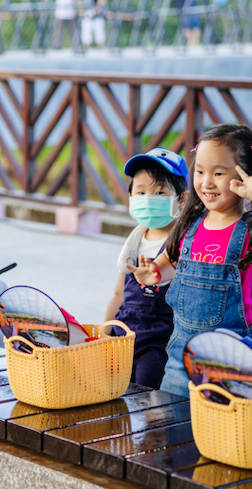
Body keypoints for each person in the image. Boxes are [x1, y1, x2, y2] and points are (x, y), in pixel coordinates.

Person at [128, 124, 252, 397]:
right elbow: (170, 262)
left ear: (248, 175)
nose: (206, 182)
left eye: (218, 173)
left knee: (225, 432)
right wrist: (155, 272)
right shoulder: (189, 225)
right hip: (180, 362)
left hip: (233, 366)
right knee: (170, 428)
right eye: (200, 171)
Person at [105, 147, 188, 389]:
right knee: (117, 390)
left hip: (158, 339)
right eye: (140, 192)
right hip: (124, 334)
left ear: (181, 199)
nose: (148, 198)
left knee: (147, 392)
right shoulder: (135, 240)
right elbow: (118, 293)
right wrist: (106, 332)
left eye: (160, 192)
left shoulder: (183, 241)